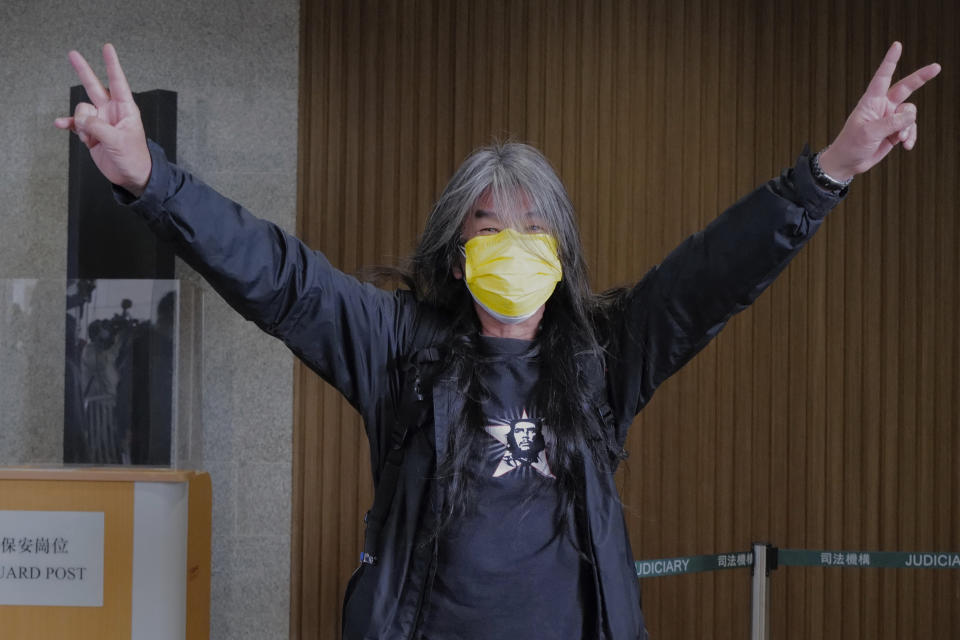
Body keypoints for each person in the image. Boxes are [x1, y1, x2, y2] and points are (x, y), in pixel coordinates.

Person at [56, 42, 939, 639]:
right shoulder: (395, 344)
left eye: (531, 228)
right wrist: (147, 177)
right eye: (489, 227)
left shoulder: (602, 355)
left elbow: (709, 278)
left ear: (559, 250)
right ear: (456, 248)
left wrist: (828, 171)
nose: (510, 246)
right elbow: (278, 275)